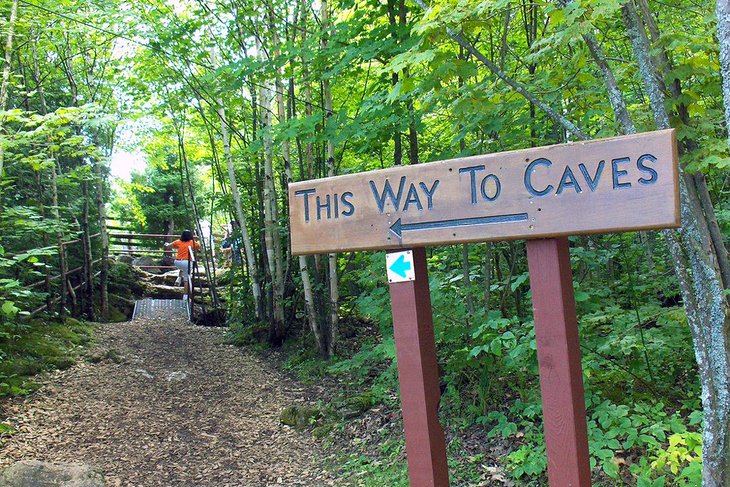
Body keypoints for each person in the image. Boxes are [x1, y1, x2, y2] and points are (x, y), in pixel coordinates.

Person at [164, 230, 200, 300]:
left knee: (183, 268)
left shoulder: (178, 242)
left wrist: (166, 244)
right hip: (187, 263)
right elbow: (199, 247)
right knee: (186, 279)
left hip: (177, 262)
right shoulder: (193, 243)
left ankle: (179, 278)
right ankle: (185, 296)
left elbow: (168, 246)